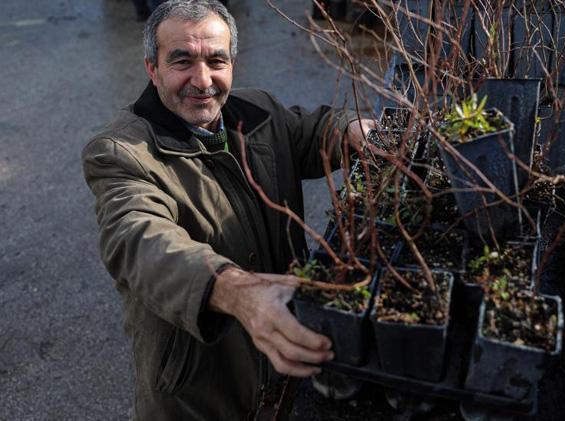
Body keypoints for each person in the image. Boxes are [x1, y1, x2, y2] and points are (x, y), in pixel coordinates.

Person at [82, 0, 374, 419]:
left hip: (284, 364)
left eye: (216, 61)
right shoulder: (121, 152)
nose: (202, 80)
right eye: (182, 61)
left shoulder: (257, 112)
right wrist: (234, 290)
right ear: (152, 68)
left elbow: (309, 133)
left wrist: (349, 128)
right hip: (200, 395)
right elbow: (139, 242)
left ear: (232, 64)